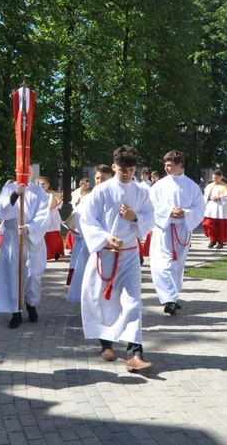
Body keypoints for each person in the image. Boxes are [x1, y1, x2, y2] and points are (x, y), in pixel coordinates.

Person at [78, 145, 156, 373]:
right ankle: (106, 343)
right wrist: (105, 238)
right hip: (106, 254)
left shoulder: (141, 192)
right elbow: (87, 221)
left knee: (133, 301)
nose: (127, 174)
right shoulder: (100, 192)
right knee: (106, 301)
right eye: (122, 169)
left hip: (130, 253)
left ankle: (135, 353)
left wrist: (135, 218)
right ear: (114, 167)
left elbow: (150, 217)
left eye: (131, 169)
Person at [148, 150, 205, 316]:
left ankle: (173, 295)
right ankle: (169, 299)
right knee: (164, 264)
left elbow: (199, 207)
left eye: (170, 165)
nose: (166, 168)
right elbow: (151, 206)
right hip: (164, 230)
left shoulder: (191, 186)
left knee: (177, 266)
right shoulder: (158, 185)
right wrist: (168, 212)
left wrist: (186, 213)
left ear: (179, 165)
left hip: (182, 230)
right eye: (165, 165)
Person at [0, 169, 50, 329]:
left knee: (32, 274)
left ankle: (31, 303)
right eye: (23, 171)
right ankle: (15, 311)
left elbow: (44, 215)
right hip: (13, 238)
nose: (26, 174)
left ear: (32, 172)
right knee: (13, 276)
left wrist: (29, 228)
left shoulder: (39, 191)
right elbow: (0, 210)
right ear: (17, 171)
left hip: (32, 238)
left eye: (29, 171)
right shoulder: (9, 188)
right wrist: (15, 195)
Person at [66, 164, 113, 303]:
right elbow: (78, 220)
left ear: (111, 177)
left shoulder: (116, 196)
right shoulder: (87, 198)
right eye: (97, 178)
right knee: (90, 277)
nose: (100, 181)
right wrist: (78, 231)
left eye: (103, 178)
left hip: (110, 244)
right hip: (89, 244)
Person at [202, 169, 227, 249]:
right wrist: (209, 197)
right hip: (211, 208)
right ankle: (212, 239)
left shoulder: (226, 186)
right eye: (213, 177)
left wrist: (220, 198)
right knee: (209, 224)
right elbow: (205, 197)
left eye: (216, 178)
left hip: (221, 208)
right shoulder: (209, 186)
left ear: (220, 177)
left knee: (220, 225)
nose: (215, 179)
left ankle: (220, 241)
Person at [37, 176, 65, 260]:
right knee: (43, 235)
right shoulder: (36, 194)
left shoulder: (52, 194)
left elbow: (59, 204)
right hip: (41, 217)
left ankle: (56, 252)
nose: (42, 186)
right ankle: (45, 254)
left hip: (52, 217)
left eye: (44, 184)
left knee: (54, 236)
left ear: (48, 185)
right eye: (40, 184)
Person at [65, 177, 91, 251]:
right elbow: (74, 202)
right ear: (80, 184)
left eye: (87, 185)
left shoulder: (89, 193)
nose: (86, 187)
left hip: (85, 212)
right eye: (85, 185)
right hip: (77, 211)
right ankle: (72, 246)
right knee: (74, 228)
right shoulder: (75, 192)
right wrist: (79, 201)